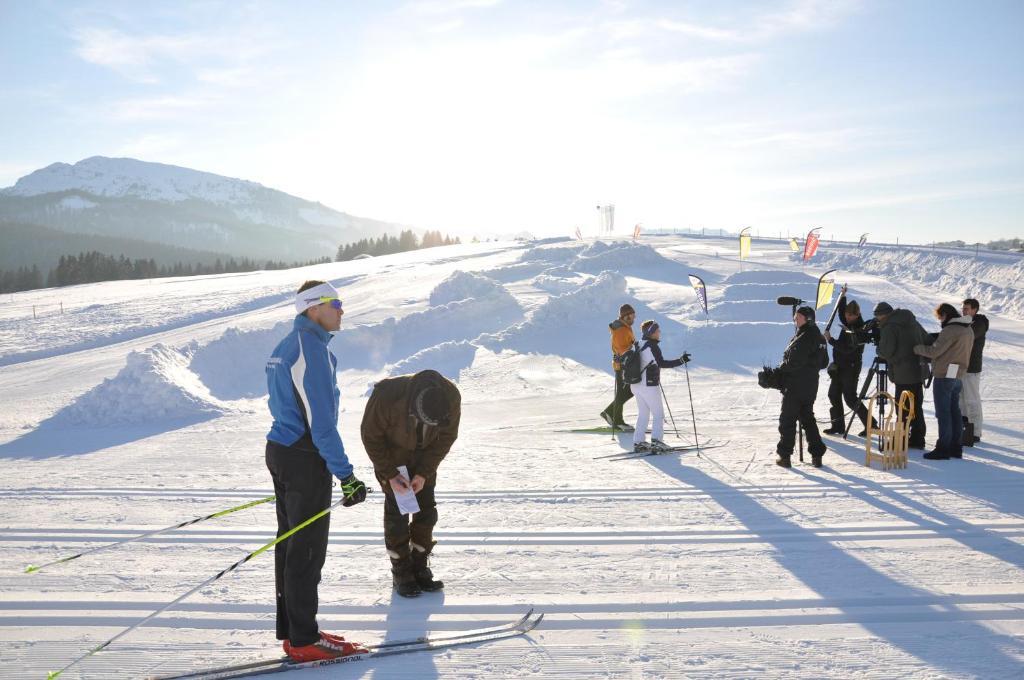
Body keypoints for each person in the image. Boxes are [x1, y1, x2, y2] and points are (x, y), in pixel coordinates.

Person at [265, 280, 368, 662]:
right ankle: (305, 640)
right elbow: (322, 425)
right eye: (335, 303)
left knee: (291, 545)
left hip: (281, 450)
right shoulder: (311, 350)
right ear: (313, 309)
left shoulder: (286, 345)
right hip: (305, 457)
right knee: (306, 551)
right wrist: (347, 476)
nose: (342, 309)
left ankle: (296, 632)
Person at [361, 369, 461, 598]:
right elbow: (370, 436)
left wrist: (425, 472)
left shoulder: (450, 396)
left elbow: (447, 436)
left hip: (425, 459)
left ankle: (419, 565)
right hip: (393, 460)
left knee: (426, 514)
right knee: (397, 516)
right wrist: (389, 474)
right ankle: (401, 571)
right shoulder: (388, 395)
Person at [913, 303, 974, 460]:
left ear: (945, 315)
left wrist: (917, 348)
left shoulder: (950, 330)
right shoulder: (968, 329)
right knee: (954, 411)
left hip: (944, 374)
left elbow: (935, 352)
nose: (939, 320)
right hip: (958, 374)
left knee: (943, 413)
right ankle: (956, 447)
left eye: (940, 317)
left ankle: (943, 448)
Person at [775, 306, 828, 468]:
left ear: (808, 319)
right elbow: (824, 362)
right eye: (795, 317)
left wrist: (778, 372)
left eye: (798, 317)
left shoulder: (804, 337)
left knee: (788, 420)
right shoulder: (819, 337)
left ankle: (785, 456)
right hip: (810, 385)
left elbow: (794, 362)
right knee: (807, 418)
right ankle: (817, 455)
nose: (795, 320)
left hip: (796, 385)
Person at [873, 301, 930, 449]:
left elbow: (886, 351)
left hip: (903, 373)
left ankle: (899, 441)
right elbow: (926, 339)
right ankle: (918, 438)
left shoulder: (889, 326)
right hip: (918, 370)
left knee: (902, 408)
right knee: (916, 406)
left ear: (882, 316)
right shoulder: (911, 320)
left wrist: (878, 348)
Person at [630, 320, 690, 453]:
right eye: (657, 331)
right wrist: (681, 360)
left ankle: (638, 442)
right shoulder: (652, 346)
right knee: (658, 414)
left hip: (635, 385)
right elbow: (661, 363)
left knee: (643, 414)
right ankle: (657, 442)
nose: (659, 333)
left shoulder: (638, 344)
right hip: (649, 385)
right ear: (651, 332)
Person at [822, 285, 871, 436]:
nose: (848, 317)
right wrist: (842, 296)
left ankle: (871, 424)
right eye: (847, 315)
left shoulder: (859, 329)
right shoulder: (849, 321)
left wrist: (830, 340)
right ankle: (838, 426)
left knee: (850, 397)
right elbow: (841, 313)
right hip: (839, 366)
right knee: (833, 394)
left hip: (851, 367)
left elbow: (847, 348)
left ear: (857, 315)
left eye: (851, 315)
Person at [600, 304, 637, 431]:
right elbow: (622, 349)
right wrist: (633, 349)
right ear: (626, 316)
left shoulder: (625, 328)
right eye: (632, 316)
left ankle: (610, 413)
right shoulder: (621, 330)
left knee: (628, 390)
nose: (634, 318)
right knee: (625, 391)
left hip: (626, 365)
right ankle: (617, 420)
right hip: (623, 365)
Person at [960, 298, 988, 446]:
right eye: (963, 308)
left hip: (972, 368)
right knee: (960, 400)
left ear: (974, 310)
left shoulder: (979, 324)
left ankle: (976, 431)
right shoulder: (962, 321)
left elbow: (968, 336)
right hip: (960, 366)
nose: (963, 311)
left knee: (972, 400)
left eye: (967, 308)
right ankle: (965, 430)